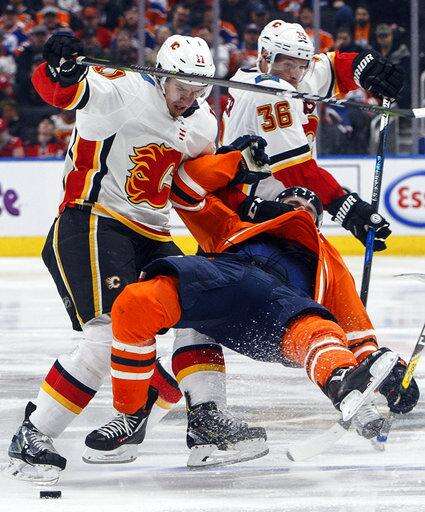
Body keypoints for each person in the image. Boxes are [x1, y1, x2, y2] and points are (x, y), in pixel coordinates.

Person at [84, 147, 419, 464]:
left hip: (279, 312)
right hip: (223, 281)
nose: (298, 209)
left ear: (317, 222)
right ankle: (146, 415)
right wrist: (236, 161)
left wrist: (390, 376)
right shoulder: (233, 223)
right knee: (138, 302)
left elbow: (356, 332)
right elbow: (184, 187)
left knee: (319, 329)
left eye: (308, 208)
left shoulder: (327, 259)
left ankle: (340, 381)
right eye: (290, 201)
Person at [5, 32, 220, 484]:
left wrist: (240, 168)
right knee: (107, 337)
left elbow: (191, 185)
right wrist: (59, 67)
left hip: (153, 233)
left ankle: (203, 421)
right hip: (93, 220)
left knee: (203, 311)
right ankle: (34, 434)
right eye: (182, 88)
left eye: (199, 90)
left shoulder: (203, 124)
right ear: (161, 75)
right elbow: (60, 91)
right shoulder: (122, 90)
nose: (188, 99)